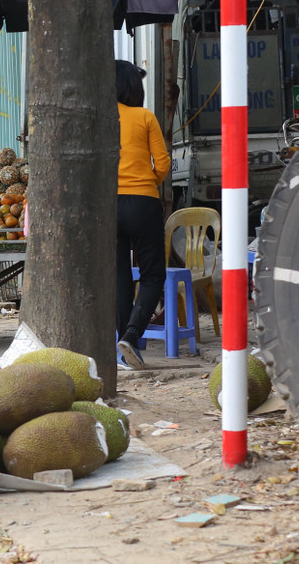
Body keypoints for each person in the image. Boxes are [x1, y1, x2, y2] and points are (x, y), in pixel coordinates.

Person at [114, 61, 171, 370]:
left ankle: (124, 354)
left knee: (120, 278)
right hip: (143, 202)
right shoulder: (145, 117)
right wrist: (147, 181)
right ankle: (132, 334)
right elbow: (162, 163)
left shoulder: (101, 119)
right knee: (152, 275)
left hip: (108, 204)